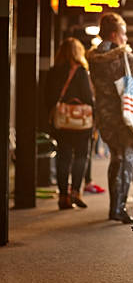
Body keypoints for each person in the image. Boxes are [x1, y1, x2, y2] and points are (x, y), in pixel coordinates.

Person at [86, 12, 133, 224]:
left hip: (104, 116)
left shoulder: (93, 59)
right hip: (123, 117)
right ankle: (119, 208)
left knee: (115, 157)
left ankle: (113, 206)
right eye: (124, 34)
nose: (125, 39)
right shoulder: (126, 57)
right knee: (128, 159)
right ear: (115, 34)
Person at [44, 37, 94, 210]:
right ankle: (75, 192)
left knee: (63, 157)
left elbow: (47, 97)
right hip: (80, 123)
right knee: (81, 156)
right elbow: (88, 98)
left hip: (62, 122)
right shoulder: (81, 72)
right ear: (78, 52)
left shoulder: (53, 71)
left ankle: (63, 196)